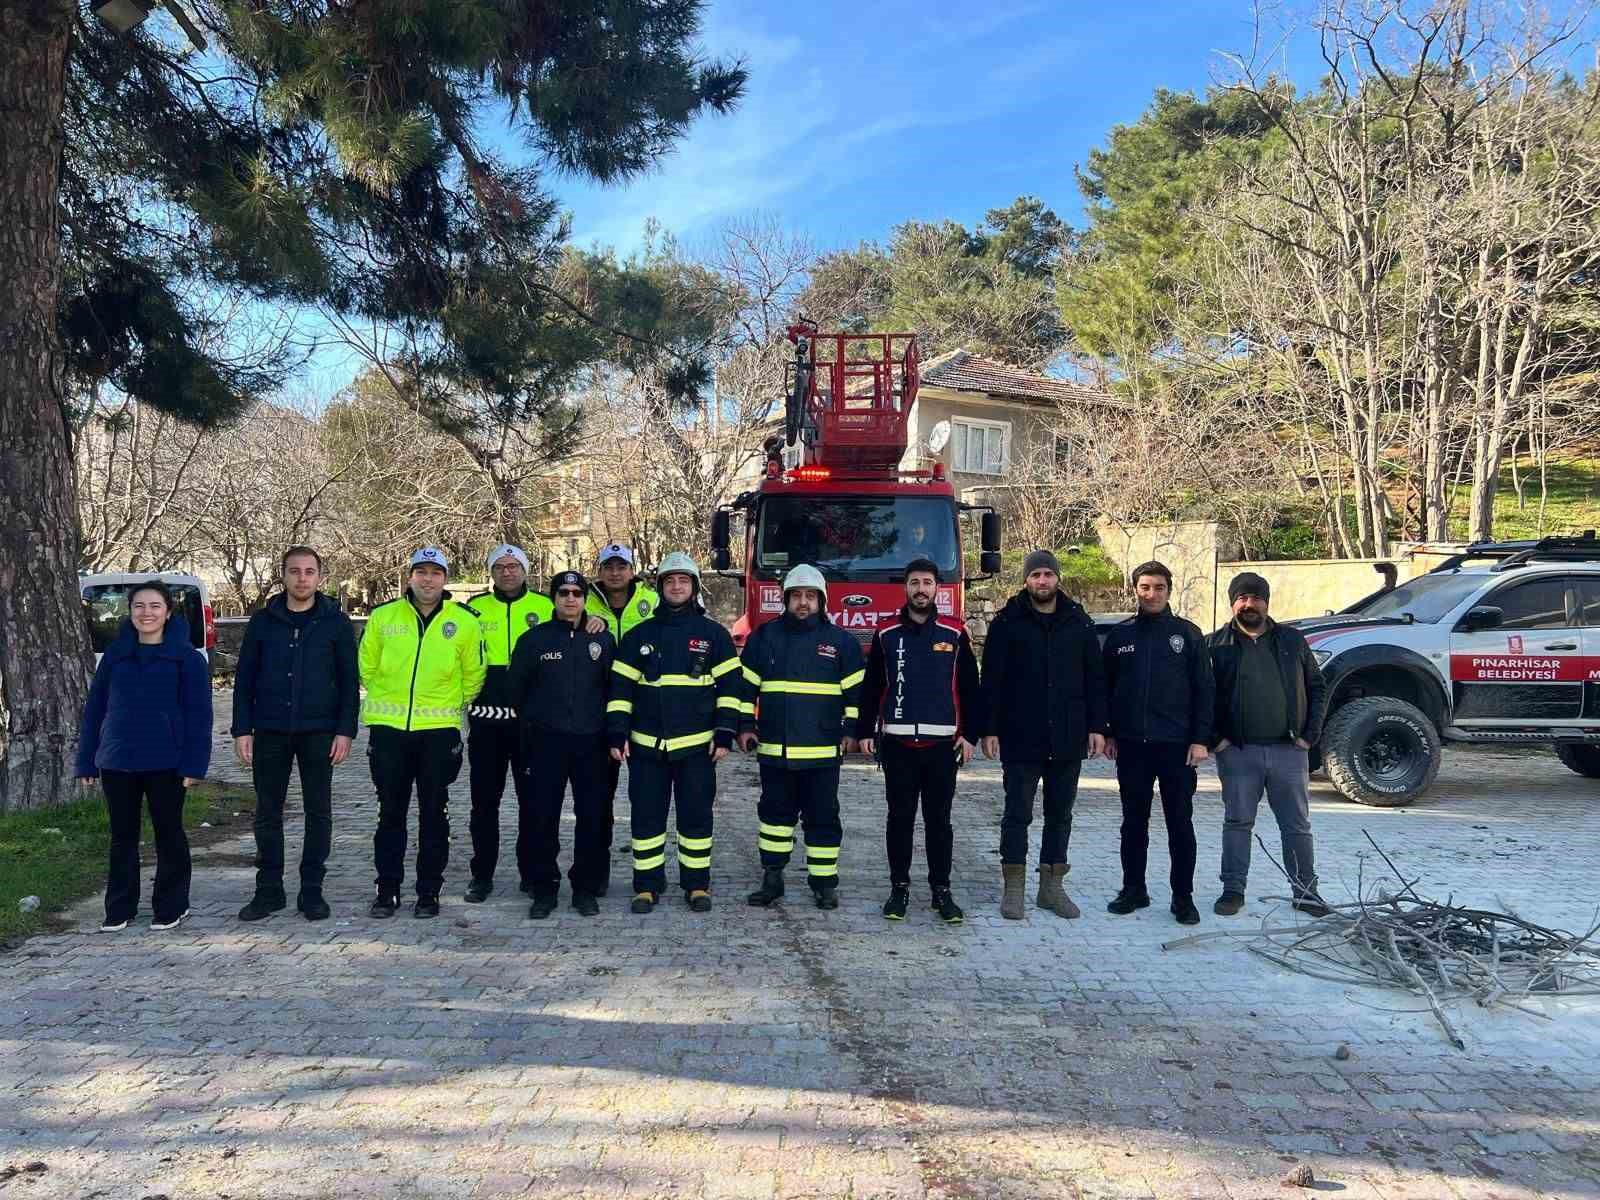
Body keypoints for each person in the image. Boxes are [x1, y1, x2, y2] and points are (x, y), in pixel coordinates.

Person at [607, 553, 740, 913]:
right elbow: (620, 692)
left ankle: (697, 885)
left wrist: (725, 732)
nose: (677, 587)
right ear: (660, 587)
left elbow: (731, 689)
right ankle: (647, 886)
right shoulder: (639, 636)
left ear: (694, 587)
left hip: (697, 750)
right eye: (670, 581)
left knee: (696, 818)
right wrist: (617, 733)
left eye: (683, 581)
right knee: (646, 819)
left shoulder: (714, 635)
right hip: (647, 748)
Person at [75, 579, 212, 932]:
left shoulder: (188, 659)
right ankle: (120, 908)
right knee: (122, 837)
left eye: (154, 606)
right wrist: (86, 758)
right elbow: (95, 710)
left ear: (167, 613)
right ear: (130, 612)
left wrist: (195, 764)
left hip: (168, 762)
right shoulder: (115, 657)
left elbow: (199, 716)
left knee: (169, 833)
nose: (146, 613)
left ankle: (171, 905)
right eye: (139, 606)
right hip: (118, 761)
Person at [979, 549, 1108, 921]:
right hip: (1021, 736)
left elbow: (1094, 679)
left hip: (1068, 737)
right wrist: (989, 728)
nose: (1042, 582)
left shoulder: (1078, 622)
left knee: (1060, 815)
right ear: (1026, 580)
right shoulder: (1007, 622)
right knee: (1017, 814)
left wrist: (1099, 727)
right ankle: (1014, 888)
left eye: (1048, 575)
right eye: (1035, 575)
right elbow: (993, 681)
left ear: (1058, 579)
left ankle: (1051, 887)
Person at [231, 546, 358, 922]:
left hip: (319, 732)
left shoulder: (335, 622)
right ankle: (269, 890)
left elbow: (350, 682)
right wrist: (242, 729)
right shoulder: (263, 621)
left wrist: (345, 730)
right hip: (270, 730)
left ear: (320, 577)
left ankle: (311, 891)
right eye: (294, 571)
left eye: (309, 572)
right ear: (282, 575)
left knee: (318, 812)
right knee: (268, 812)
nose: (302, 578)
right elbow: (244, 680)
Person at [359, 547, 485, 919]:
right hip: (389, 731)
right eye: (421, 572)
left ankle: (429, 890)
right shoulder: (383, 617)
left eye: (435, 572)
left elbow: (474, 673)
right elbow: (365, 665)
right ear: (409, 576)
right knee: (390, 813)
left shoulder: (464, 622)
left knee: (434, 814)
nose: (427, 579)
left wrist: (447, 702)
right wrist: (389, 699)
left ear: (445, 579)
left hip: (438, 733)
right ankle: (387, 889)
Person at [856, 557, 982, 924]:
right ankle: (899, 889)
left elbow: (972, 690)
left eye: (927, 582)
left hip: (942, 747)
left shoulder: (955, 634)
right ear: (906, 588)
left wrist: (970, 735)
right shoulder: (886, 632)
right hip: (897, 746)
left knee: (939, 822)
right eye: (915, 582)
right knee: (899, 820)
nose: (921, 588)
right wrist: (864, 731)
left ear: (937, 588)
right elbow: (872, 687)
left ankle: (941, 890)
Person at [739, 563, 864, 910]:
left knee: (823, 817)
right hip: (775, 748)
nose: (803, 603)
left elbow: (856, 696)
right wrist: (746, 726)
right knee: (774, 816)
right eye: (797, 596)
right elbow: (745, 689)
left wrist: (851, 731)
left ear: (822, 601)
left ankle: (824, 884)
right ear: (786, 599)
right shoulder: (764, 637)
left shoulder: (841, 643)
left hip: (822, 750)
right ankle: (772, 878)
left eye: (811, 596)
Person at [1207, 572, 1331, 918]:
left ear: (1266, 602)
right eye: (1242, 598)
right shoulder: (1215, 645)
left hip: (1289, 751)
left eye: (1255, 598)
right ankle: (1232, 890)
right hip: (1238, 754)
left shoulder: (1292, 641)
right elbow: (1201, 696)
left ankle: (1306, 892)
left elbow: (1318, 687)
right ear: (1233, 603)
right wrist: (1216, 740)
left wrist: (1310, 735)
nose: (1249, 604)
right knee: (1237, 823)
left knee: (1296, 826)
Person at [1101, 560, 1213, 927]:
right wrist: (1110, 732)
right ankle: (1134, 889)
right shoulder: (1120, 637)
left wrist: (1200, 740)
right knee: (1133, 822)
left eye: (1159, 588)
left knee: (1179, 823)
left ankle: (1183, 898)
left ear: (1169, 590)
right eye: (1145, 587)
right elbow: (1106, 690)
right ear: (1135, 590)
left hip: (1176, 747)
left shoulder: (1188, 635)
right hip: (1132, 746)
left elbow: (1204, 691)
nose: (1151, 594)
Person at [508, 570, 615, 918]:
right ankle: (544, 888)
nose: (571, 599)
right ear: (553, 598)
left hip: (592, 744)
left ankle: (585, 888)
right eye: (563, 593)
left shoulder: (603, 639)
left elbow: (616, 691)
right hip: (545, 744)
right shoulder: (533, 640)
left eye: (577, 593)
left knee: (592, 819)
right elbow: (517, 692)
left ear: (586, 599)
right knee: (542, 818)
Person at [585, 542, 661, 892]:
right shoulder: (581, 601)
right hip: (597, 713)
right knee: (599, 799)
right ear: (599, 570)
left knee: (647, 798)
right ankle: (596, 873)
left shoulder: (653, 601)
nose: (615, 572)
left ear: (632, 569)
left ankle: (649, 872)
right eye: (608, 566)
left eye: (622, 566)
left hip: (648, 713)